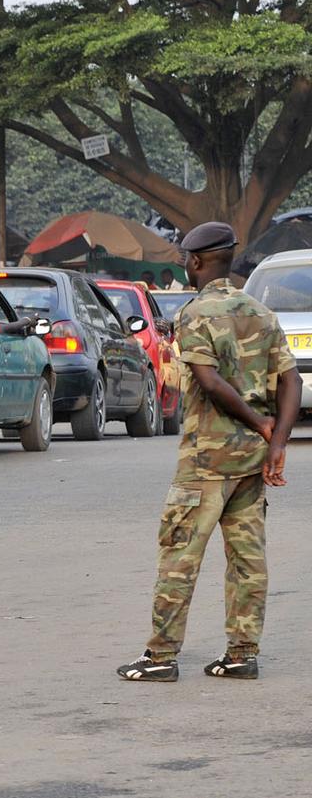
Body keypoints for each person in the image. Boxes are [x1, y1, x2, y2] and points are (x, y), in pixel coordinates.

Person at [118, 222, 301, 683]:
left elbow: (209, 381)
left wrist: (261, 422)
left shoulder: (196, 314)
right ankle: (242, 654)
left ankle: (160, 657)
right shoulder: (261, 312)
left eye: (185, 258)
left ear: (196, 262)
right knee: (247, 560)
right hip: (250, 464)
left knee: (179, 558)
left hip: (205, 463)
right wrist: (275, 441)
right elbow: (292, 381)